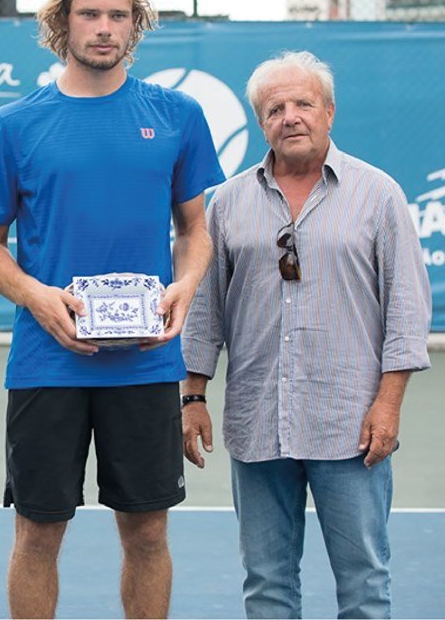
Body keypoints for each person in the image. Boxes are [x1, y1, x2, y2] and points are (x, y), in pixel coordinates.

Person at [0, 0, 225, 619]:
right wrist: (37, 297)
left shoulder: (177, 114)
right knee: (37, 535)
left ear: (136, 23)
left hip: (146, 363)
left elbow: (195, 231)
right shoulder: (14, 125)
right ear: (63, 21)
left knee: (147, 534)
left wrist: (186, 284)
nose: (105, 27)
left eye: (118, 14)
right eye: (90, 14)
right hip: (46, 363)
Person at [182, 50, 431, 619]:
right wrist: (193, 396)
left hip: (351, 426)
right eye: (275, 109)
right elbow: (204, 311)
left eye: (303, 104)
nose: (290, 117)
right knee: (266, 582)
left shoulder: (379, 194)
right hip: (257, 423)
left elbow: (406, 310)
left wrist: (388, 405)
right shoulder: (228, 202)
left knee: (364, 581)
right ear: (260, 121)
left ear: (329, 112)